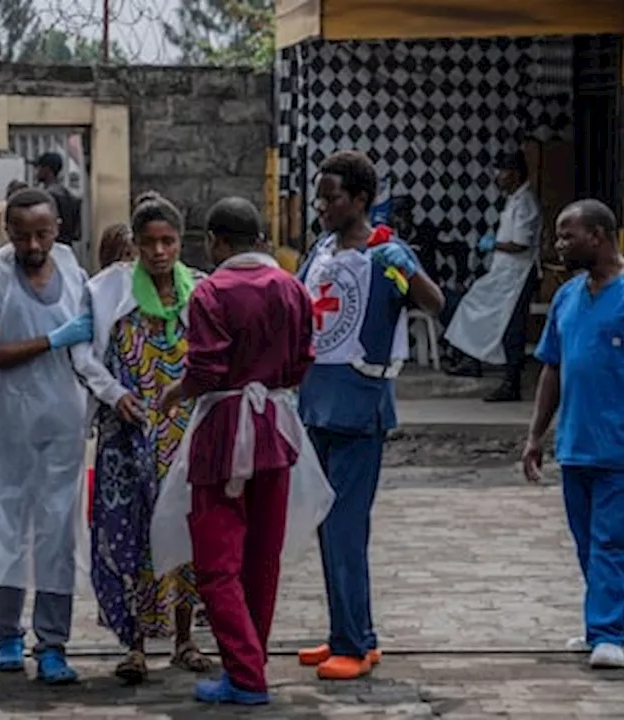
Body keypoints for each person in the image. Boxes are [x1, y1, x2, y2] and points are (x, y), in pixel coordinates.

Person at [156, 197, 332, 706]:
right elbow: (303, 361)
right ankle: (250, 659)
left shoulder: (211, 292)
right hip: (275, 427)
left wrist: (176, 393)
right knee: (262, 557)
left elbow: (207, 370)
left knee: (216, 561)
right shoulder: (291, 288)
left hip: (224, 431)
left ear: (216, 241)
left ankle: (246, 672)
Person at [295, 150, 445, 681]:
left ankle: (355, 646)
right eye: (319, 196)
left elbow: (433, 302)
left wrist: (405, 268)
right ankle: (349, 632)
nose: (321, 206)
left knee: (345, 526)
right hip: (316, 400)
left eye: (331, 197)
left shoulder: (386, 252)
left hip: (359, 405)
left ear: (361, 199)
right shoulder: (321, 249)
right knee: (324, 523)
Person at [522, 199, 624, 670]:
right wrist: (536, 434)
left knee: (615, 541)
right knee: (588, 543)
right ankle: (600, 626)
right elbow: (553, 368)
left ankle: (610, 631)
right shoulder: (568, 297)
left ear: (598, 235)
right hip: (577, 447)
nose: (559, 244)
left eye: (566, 235)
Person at [0, 187, 95, 685]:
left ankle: (52, 644)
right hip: (6, 425)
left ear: (57, 228)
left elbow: (91, 351)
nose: (32, 245)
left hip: (61, 422)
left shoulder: (76, 275)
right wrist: (50, 341)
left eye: (41, 233)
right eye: (21, 235)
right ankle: (7, 636)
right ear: (7, 232)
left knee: (57, 535)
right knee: (7, 527)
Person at [70, 195, 211, 684]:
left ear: (180, 241)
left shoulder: (200, 290)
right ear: (134, 242)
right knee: (127, 533)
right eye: (148, 242)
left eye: (167, 241)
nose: (158, 251)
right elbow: (84, 354)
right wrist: (114, 396)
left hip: (184, 431)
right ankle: (133, 646)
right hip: (126, 433)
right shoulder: (106, 289)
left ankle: (183, 639)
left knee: (185, 531)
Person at [443, 150, 543, 402]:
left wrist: (493, 245)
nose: (497, 177)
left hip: (518, 275)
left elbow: (520, 244)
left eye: (502, 171)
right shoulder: (514, 200)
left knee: (512, 329)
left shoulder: (525, 203)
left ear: (516, 173)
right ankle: (473, 359)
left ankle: (512, 382)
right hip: (504, 274)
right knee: (473, 307)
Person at [35, 151, 83, 246]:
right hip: (66, 246)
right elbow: (77, 234)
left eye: (38, 168)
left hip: (50, 246)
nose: (36, 172)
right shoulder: (70, 196)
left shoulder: (46, 196)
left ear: (47, 170)